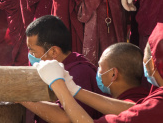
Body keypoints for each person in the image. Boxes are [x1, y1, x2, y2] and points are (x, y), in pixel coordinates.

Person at [35, 22, 163, 122]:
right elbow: (134, 109)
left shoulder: (157, 105)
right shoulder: (152, 102)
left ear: (153, 64)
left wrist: (58, 86)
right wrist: (75, 91)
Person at [24, 42, 148, 123]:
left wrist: (58, 85)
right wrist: (74, 90)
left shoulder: (137, 112)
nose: (97, 71)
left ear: (113, 74)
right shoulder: (148, 101)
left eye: (100, 67)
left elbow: (70, 119)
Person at [21, 15, 103, 122]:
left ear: (54, 52)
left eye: (33, 52)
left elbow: (66, 119)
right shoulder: (60, 67)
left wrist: (22, 98)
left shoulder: (79, 72)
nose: (30, 56)